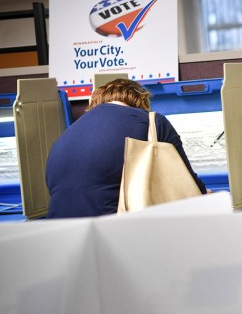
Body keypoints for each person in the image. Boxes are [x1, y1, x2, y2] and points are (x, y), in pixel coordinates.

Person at [45, 78, 206, 218]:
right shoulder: (152, 121)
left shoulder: (67, 134)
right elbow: (189, 184)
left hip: (57, 232)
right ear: (140, 101)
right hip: (111, 230)